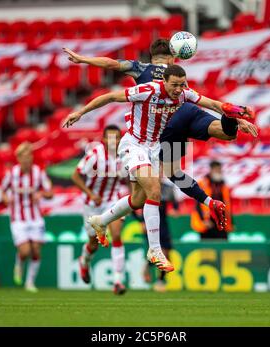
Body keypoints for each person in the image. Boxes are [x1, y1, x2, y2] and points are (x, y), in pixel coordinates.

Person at [62, 64, 253, 273]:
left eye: (181, 84)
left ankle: (101, 220)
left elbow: (214, 104)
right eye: (174, 85)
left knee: (138, 200)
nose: (178, 89)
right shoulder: (148, 90)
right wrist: (80, 112)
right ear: (165, 82)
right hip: (133, 145)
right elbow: (110, 97)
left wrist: (238, 120)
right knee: (155, 189)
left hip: (153, 148)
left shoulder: (184, 94)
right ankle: (154, 250)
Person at [71, 125, 126, 294]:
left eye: (116, 138)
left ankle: (118, 281)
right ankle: (84, 261)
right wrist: (90, 194)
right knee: (93, 244)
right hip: (92, 204)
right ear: (103, 139)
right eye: (110, 138)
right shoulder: (95, 156)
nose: (113, 141)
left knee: (116, 235)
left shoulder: (125, 155)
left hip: (113, 200)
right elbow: (75, 175)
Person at [1, 142, 53, 292]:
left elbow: (50, 193)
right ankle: (19, 262)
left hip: (35, 217)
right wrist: (6, 199)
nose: (26, 160)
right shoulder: (11, 174)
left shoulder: (38, 173)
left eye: (28, 156)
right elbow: (3, 191)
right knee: (25, 251)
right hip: (18, 218)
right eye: (23, 157)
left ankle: (30, 283)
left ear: (31, 157)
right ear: (18, 158)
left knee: (36, 250)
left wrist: (41, 194)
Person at [191, 160, 233, 240]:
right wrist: (203, 220)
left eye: (219, 170)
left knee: (223, 245)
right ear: (211, 170)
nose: (219, 172)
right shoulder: (203, 183)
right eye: (216, 169)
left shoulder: (223, 185)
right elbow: (198, 204)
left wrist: (230, 222)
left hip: (221, 221)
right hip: (208, 222)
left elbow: (227, 204)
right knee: (207, 248)